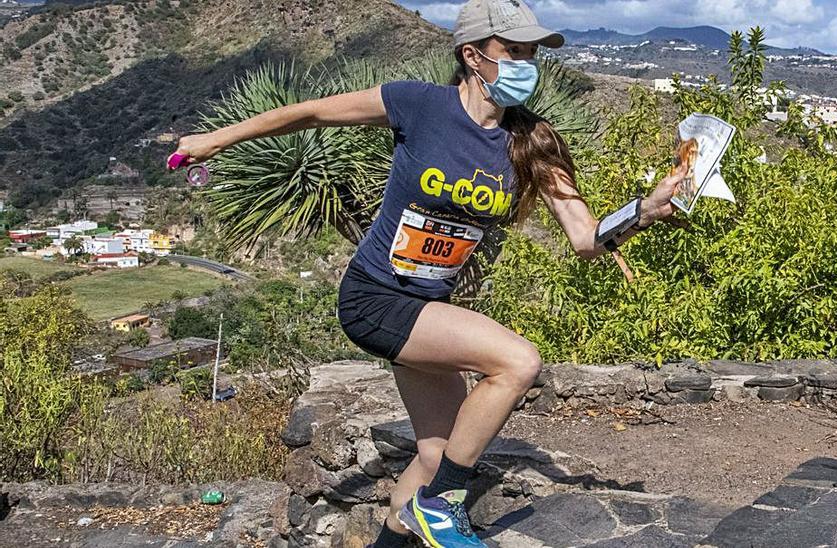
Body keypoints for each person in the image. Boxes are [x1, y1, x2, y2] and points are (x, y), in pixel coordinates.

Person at [169, 1, 687, 546]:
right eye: (513, 51)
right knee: (519, 361)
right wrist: (216, 139)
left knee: (435, 455)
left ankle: (400, 530)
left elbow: (585, 239)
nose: (526, 64)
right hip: (375, 298)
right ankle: (443, 505)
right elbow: (310, 113)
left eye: (532, 53)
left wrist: (644, 212)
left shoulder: (533, 141)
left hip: (428, 308)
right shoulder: (417, 105)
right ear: (472, 55)